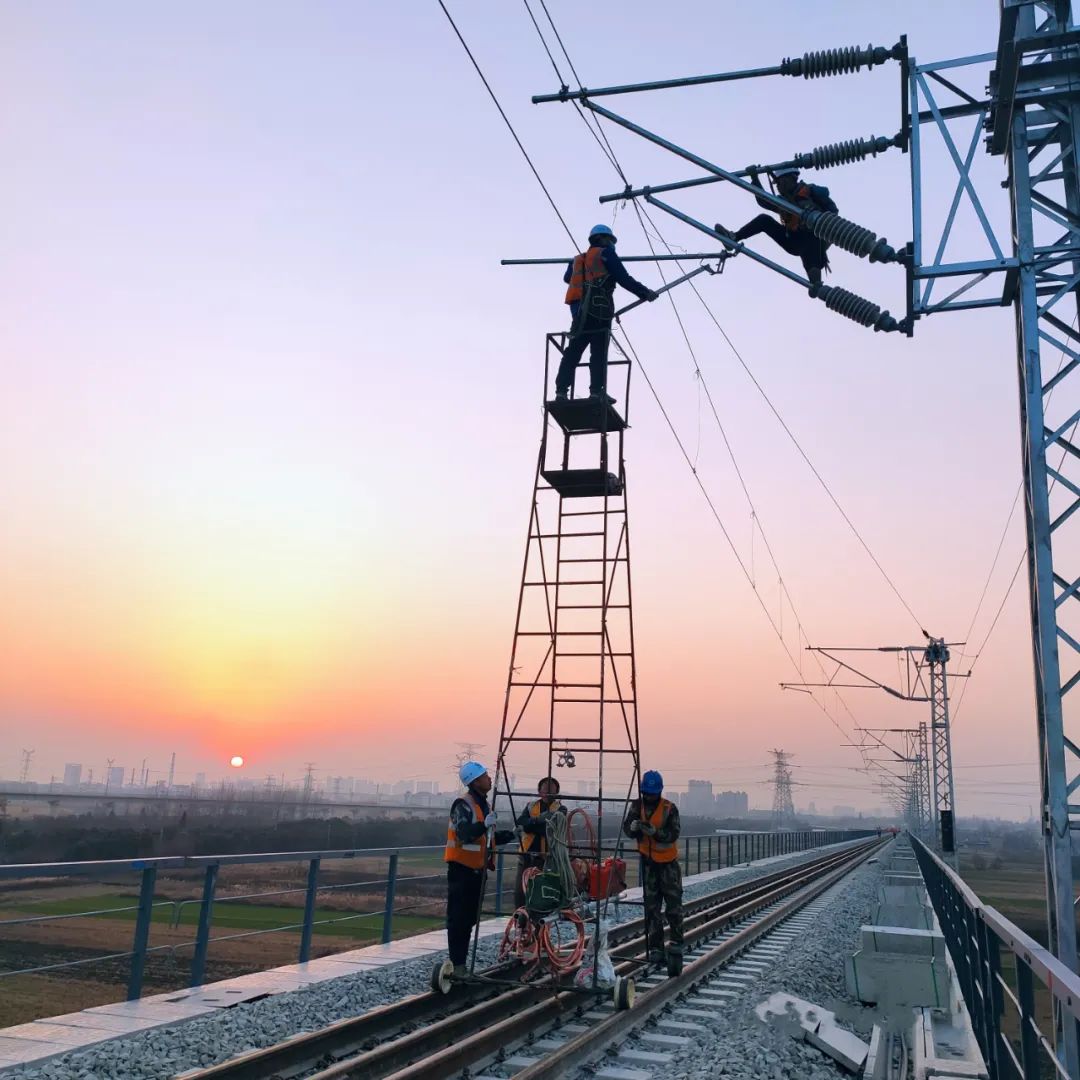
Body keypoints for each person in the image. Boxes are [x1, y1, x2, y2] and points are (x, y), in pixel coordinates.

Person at [556, 224, 658, 404]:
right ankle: (596, 391)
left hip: (579, 314)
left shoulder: (577, 259)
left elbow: (567, 278)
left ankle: (561, 392)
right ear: (603, 239)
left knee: (573, 351)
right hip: (599, 311)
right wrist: (644, 292)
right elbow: (623, 278)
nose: (612, 244)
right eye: (610, 240)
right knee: (598, 352)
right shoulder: (606, 254)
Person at [444, 761, 515, 976]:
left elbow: (487, 839)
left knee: (469, 919)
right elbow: (465, 833)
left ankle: (461, 965)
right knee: (459, 920)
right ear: (475, 781)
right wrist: (484, 825)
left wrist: (511, 833)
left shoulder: (483, 806)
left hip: (478, 871)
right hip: (462, 870)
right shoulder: (463, 805)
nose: (489, 779)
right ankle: (457, 965)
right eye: (485, 776)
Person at [715, 166, 838, 287]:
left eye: (780, 182)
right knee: (764, 220)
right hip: (793, 240)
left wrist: (822, 223)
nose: (778, 186)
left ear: (791, 179)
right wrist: (755, 178)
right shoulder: (783, 201)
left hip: (816, 238)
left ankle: (815, 282)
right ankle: (733, 237)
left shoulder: (811, 192)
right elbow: (763, 200)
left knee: (810, 242)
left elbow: (833, 212)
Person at [622, 769, 683, 966]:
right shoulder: (636, 806)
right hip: (648, 864)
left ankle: (676, 942)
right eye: (646, 793)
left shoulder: (669, 808)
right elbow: (627, 827)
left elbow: (673, 834)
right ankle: (656, 947)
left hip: (668, 865)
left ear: (659, 791)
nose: (649, 796)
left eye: (652, 793)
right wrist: (632, 828)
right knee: (652, 908)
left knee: (673, 905)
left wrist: (655, 832)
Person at [514, 776, 567, 909]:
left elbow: (549, 829)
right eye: (545, 790)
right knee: (521, 893)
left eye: (552, 791)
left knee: (542, 893)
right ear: (539, 791)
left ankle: (540, 924)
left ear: (556, 793)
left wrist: (532, 824)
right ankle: (520, 922)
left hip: (548, 857)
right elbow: (521, 823)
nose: (548, 793)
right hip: (526, 855)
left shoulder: (561, 809)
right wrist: (538, 821)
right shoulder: (531, 806)